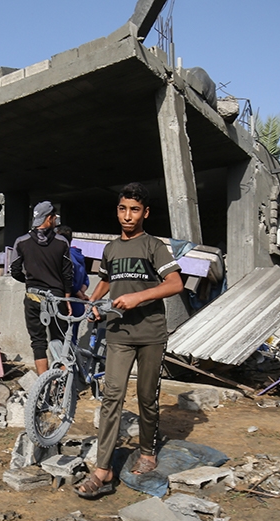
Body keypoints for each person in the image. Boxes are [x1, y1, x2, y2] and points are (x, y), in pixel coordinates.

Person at [76, 182, 183, 498]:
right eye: (123, 208)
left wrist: (139, 297)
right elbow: (107, 281)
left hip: (150, 333)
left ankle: (147, 451)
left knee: (147, 396)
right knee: (112, 398)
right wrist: (94, 305)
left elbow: (175, 283)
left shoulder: (154, 246)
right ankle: (103, 469)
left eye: (134, 210)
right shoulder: (111, 249)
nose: (127, 215)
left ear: (145, 213)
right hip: (118, 333)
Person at [9, 201, 73, 375]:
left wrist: (30, 281)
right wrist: (66, 296)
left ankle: (43, 385)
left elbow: (14, 270)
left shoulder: (21, 242)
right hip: (57, 297)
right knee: (59, 339)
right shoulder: (62, 242)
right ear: (49, 218)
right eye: (54, 218)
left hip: (33, 297)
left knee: (38, 342)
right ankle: (61, 385)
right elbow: (68, 274)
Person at [56, 224, 90, 337]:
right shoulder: (79, 255)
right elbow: (86, 279)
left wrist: (79, 293)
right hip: (78, 305)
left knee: (63, 341)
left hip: (67, 303)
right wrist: (82, 293)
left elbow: (68, 278)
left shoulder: (65, 256)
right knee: (73, 339)